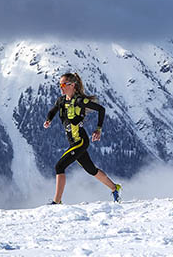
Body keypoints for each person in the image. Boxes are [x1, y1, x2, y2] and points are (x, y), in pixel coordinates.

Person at [43, 72, 121, 204]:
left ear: (72, 85)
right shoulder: (61, 100)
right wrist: (48, 120)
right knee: (91, 170)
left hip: (80, 141)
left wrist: (98, 129)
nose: (60, 87)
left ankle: (56, 202)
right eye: (59, 85)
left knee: (59, 166)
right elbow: (53, 110)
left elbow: (101, 109)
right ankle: (115, 188)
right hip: (73, 141)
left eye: (63, 84)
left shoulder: (80, 101)